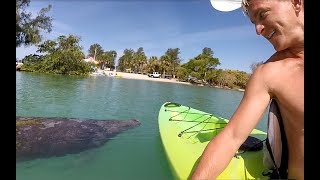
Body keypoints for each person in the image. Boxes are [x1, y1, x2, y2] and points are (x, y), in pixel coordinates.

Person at [191, 0, 304, 179]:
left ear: (296, 3)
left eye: (262, 14)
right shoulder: (269, 74)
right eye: (254, 22)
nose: (258, 30)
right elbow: (231, 137)